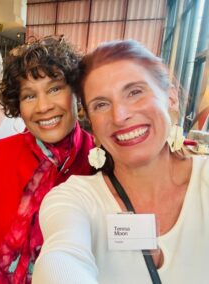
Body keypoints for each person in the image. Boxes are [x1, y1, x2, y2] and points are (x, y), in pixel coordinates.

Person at [33, 40, 209, 284]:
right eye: (101, 104)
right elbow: (61, 256)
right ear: (91, 122)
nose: (120, 115)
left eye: (135, 92)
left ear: (170, 97)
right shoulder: (75, 199)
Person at [0, 36, 94, 283]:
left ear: (76, 93)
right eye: (29, 96)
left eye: (54, 89)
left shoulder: (99, 161)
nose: (43, 106)